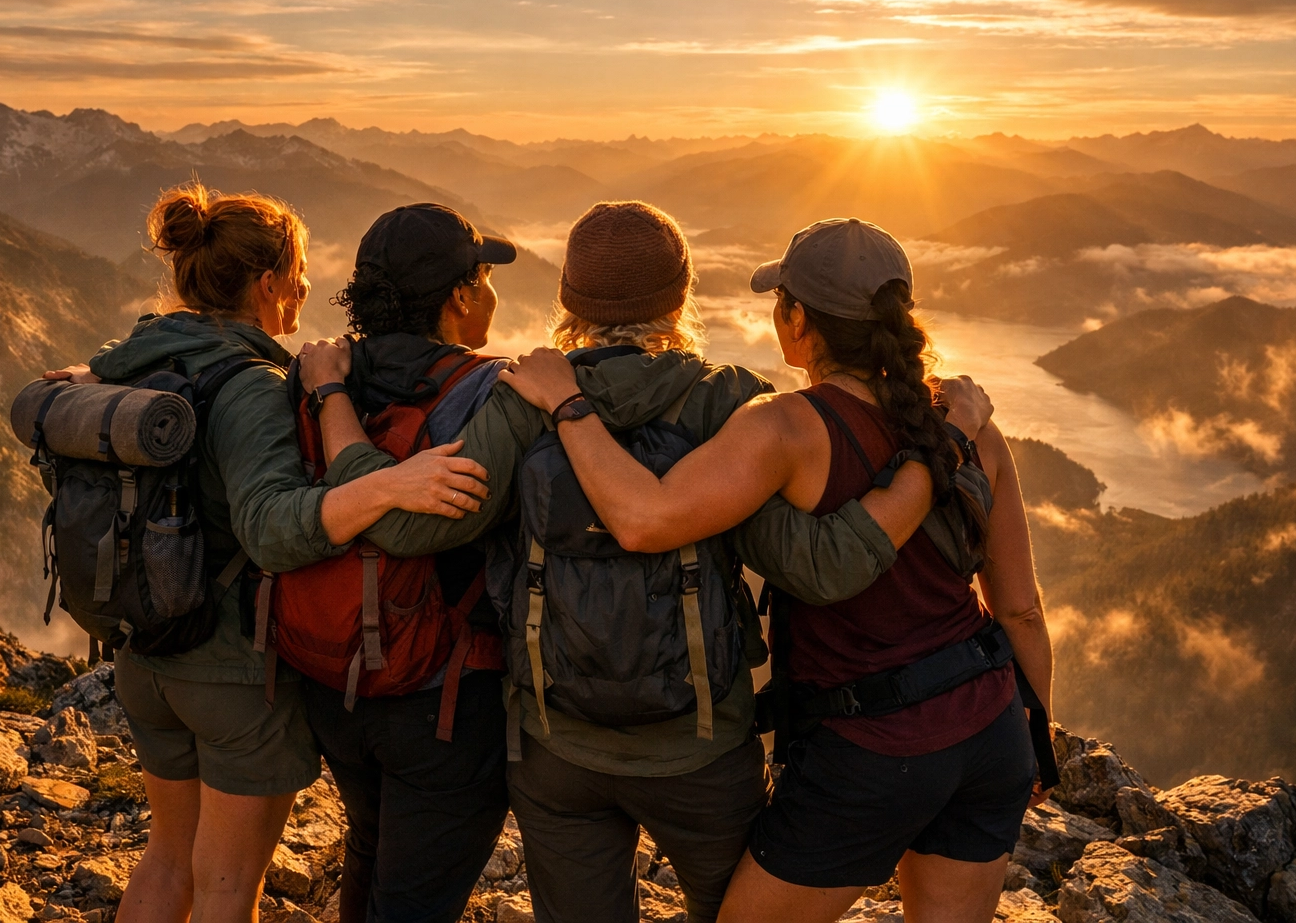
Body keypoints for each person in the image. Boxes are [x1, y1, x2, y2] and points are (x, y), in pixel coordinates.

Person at [296, 202, 994, 923]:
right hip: (700, 748)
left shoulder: (525, 398)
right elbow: (818, 567)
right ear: (682, 296)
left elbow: (409, 531)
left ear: (568, 302)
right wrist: (936, 455)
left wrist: (337, 409)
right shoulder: (728, 403)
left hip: (555, 745)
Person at [499, 216, 1051, 923]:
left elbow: (643, 518)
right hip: (989, 727)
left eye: (779, 303)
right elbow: (1021, 610)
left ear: (797, 321)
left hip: (872, 749)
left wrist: (570, 405)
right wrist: (1034, 733)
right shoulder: (967, 421)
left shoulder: (783, 427)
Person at [44, 184, 491, 923]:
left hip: (143, 654)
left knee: (165, 861)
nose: (308, 287)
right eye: (301, 271)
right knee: (225, 883)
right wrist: (391, 487)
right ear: (268, 284)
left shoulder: (135, 357)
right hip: (226, 670)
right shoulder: (251, 386)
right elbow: (273, 529)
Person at [284, 203, 520, 923]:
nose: (488, 294)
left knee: (372, 843)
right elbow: (410, 528)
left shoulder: (321, 374)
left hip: (330, 676)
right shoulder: (489, 391)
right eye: (483, 278)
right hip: (440, 696)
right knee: (417, 899)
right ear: (458, 295)